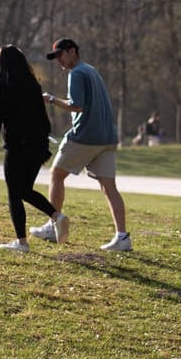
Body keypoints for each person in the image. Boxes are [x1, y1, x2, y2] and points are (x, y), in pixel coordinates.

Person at [33, 38, 130, 251]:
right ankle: (122, 237)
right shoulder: (92, 70)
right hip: (108, 138)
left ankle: (52, 226)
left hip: (85, 136)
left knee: (56, 174)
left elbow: (76, 106)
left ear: (73, 51)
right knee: (109, 186)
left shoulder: (76, 73)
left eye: (61, 54)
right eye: (55, 56)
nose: (58, 59)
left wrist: (50, 99)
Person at [0, 45, 66, 252]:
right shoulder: (33, 85)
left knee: (14, 194)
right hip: (37, 146)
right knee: (25, 190)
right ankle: (56, 216)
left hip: (17, 147)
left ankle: (22, 242)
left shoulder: (2, 86)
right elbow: (44, 121)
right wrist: (43, 145)